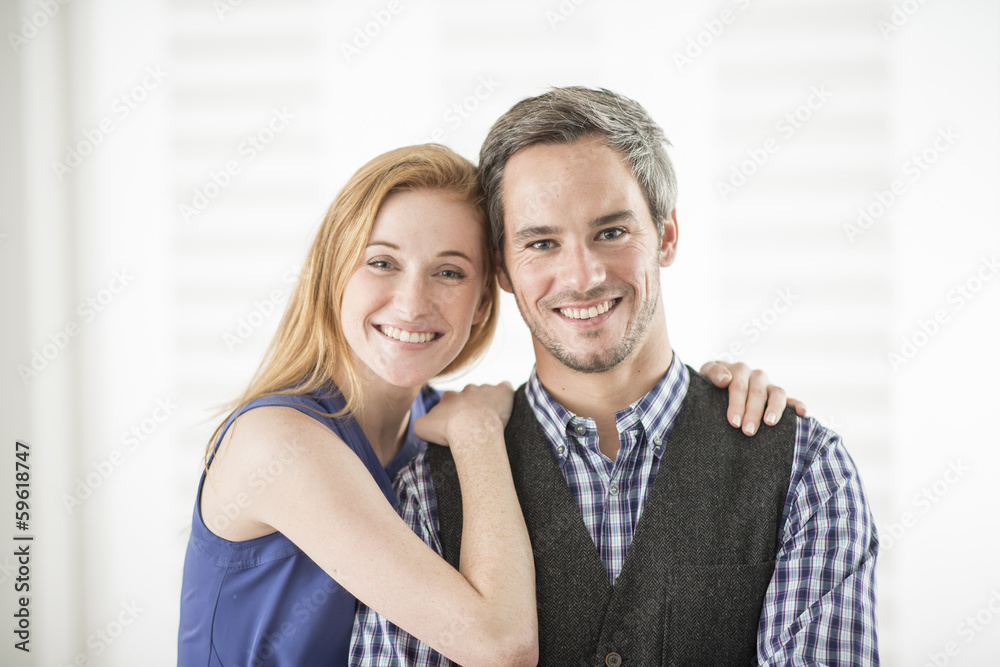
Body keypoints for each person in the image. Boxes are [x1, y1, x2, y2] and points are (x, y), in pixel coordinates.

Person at [177, 143, 792, 665]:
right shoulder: (280, 442)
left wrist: (711, 404)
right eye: (382, 262)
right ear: (331, 273)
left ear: (485, 297)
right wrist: (476, 435)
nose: (413, 303)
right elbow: (499, 646)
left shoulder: (432, 427)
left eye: (449, 272)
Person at [352, 88, 879, 666]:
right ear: (502, 268)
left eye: (610, 232)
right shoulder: (427, 489)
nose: (583, 276)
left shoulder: (804, 467)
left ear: (667, 235)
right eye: (542, 243)